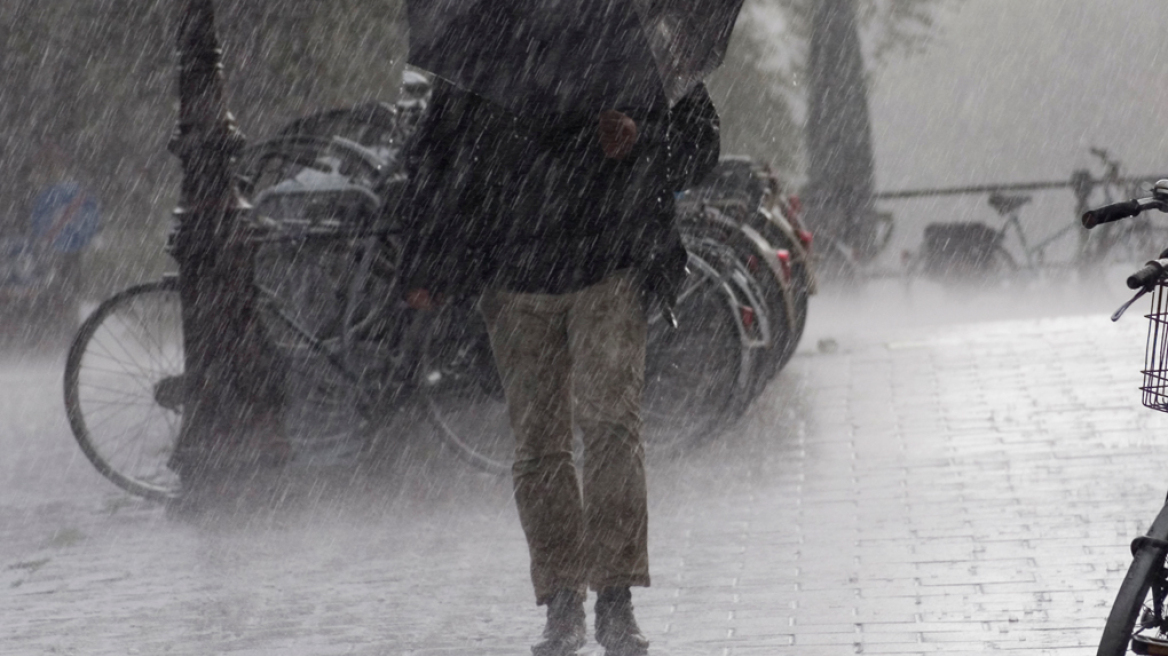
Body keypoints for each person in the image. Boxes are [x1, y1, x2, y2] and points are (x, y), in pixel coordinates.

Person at [396, 11, 721, 656]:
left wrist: (641, 138)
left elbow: (698, 148)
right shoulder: (485, 38)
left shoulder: (633, 33)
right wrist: (427, 263)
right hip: (514, 275)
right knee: (539, 445)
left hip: (610, 263)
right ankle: (563, 603)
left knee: (610, 427)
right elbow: (436, 162)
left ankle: (617, 602)